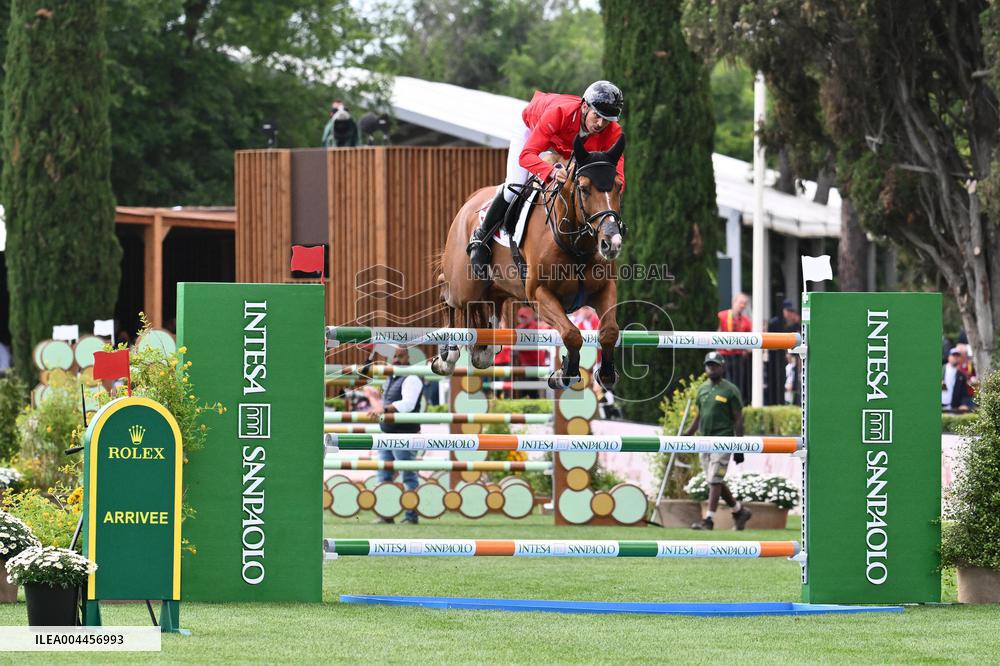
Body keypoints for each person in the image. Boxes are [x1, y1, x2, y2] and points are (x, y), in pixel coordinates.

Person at [466, 81, 626, 280]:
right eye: (597, 116)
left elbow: (618, 180)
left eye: (607, 120)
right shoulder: (559, 113)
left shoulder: (612, 132)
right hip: (531, 133)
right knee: (513, 186)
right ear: (585, 106)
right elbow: (527, 156)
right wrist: (549, 172)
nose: (601, 124)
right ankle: (481, 239)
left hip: (567, 147)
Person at [686, 352, 752, 531]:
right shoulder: (702, 389)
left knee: (715, 478)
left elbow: (738, 419)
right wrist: (686, 436)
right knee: (713, 479)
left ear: (722, 367)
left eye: (715, 365)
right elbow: (699, 416)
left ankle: (708, 520)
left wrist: (739, 446)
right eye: (709, 365)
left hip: (723, 440)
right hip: (704, 441)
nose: (711, 368)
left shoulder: (730, 390)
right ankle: (739, 511)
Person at [375, 346, 425, 524]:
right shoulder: (390, 377)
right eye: (394, 356)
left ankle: (411, 516)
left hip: (405, 434)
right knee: (383, 477)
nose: (396, 359)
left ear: (408, 357)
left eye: (400, 356)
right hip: (388, 434)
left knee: (408, 476)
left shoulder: (412, 376)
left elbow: (408, 404)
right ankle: (386, 514)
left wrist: (384, 408)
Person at [717, 293, 751, 400]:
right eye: (741, 303)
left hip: (738, 357)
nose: (742, 306)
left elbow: (750, 339)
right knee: (722, 382)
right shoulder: (722, 316)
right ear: (734, 302)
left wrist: (746, 349)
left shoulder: (746, 321)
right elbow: (715, 333)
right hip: (723, 356)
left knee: (738, 384)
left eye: (745, 304)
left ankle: (736, 403)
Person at [942, 347, 971, 412]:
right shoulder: (942, 370)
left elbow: (964, 393)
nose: (955, 357)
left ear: (960, 358)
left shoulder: (961, 376)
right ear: (948, 357)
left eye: (957, 356)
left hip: (953, 407)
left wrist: (964, 404)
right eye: (953, 355)